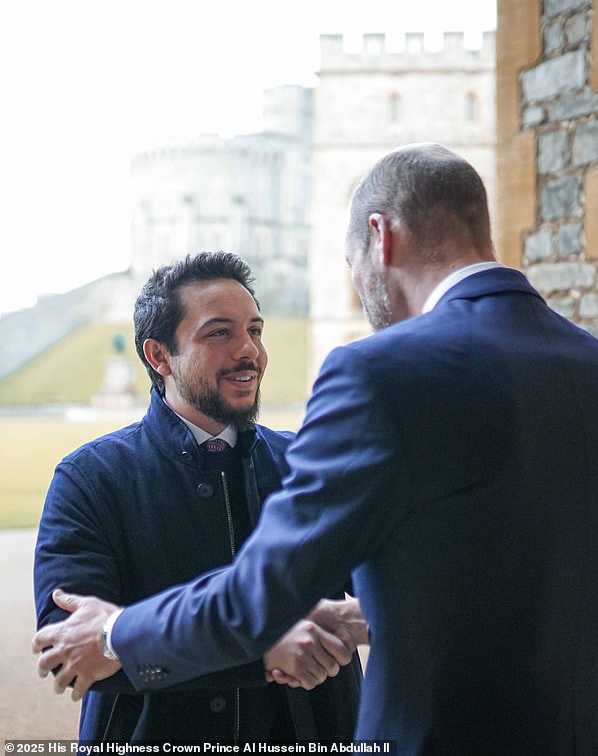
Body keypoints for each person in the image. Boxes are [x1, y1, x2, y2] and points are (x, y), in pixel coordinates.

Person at [34, 144, 598, 755]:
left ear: (381, 236)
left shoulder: (378, 371)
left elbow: (255, 598)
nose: (251, 351)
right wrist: (358, 619)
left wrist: (115, 634)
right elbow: (497, 572)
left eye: (352, 262)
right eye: (221, 334)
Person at [33, 251, 363, 743]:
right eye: (219, 333)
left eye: (254, 330)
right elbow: (71, 651)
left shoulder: (307, 465)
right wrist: (261, 655)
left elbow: (395, 587)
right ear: (159, 356)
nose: (248, 349)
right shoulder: (90, 478)